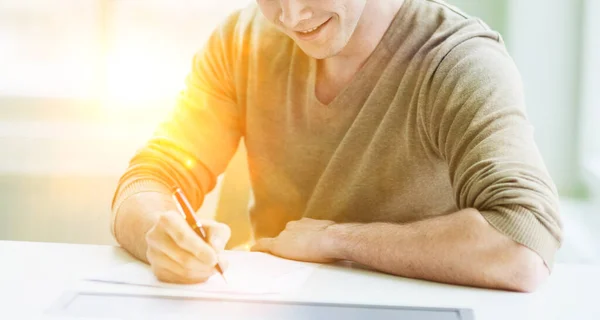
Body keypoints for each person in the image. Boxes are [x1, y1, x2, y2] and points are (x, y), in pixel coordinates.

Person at [111, 0, 563, 292]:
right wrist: (159, 234)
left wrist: (337, 241)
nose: (290, 17)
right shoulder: (241, 40)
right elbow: (150, 177)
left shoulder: (458, 62)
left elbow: (523, 246)